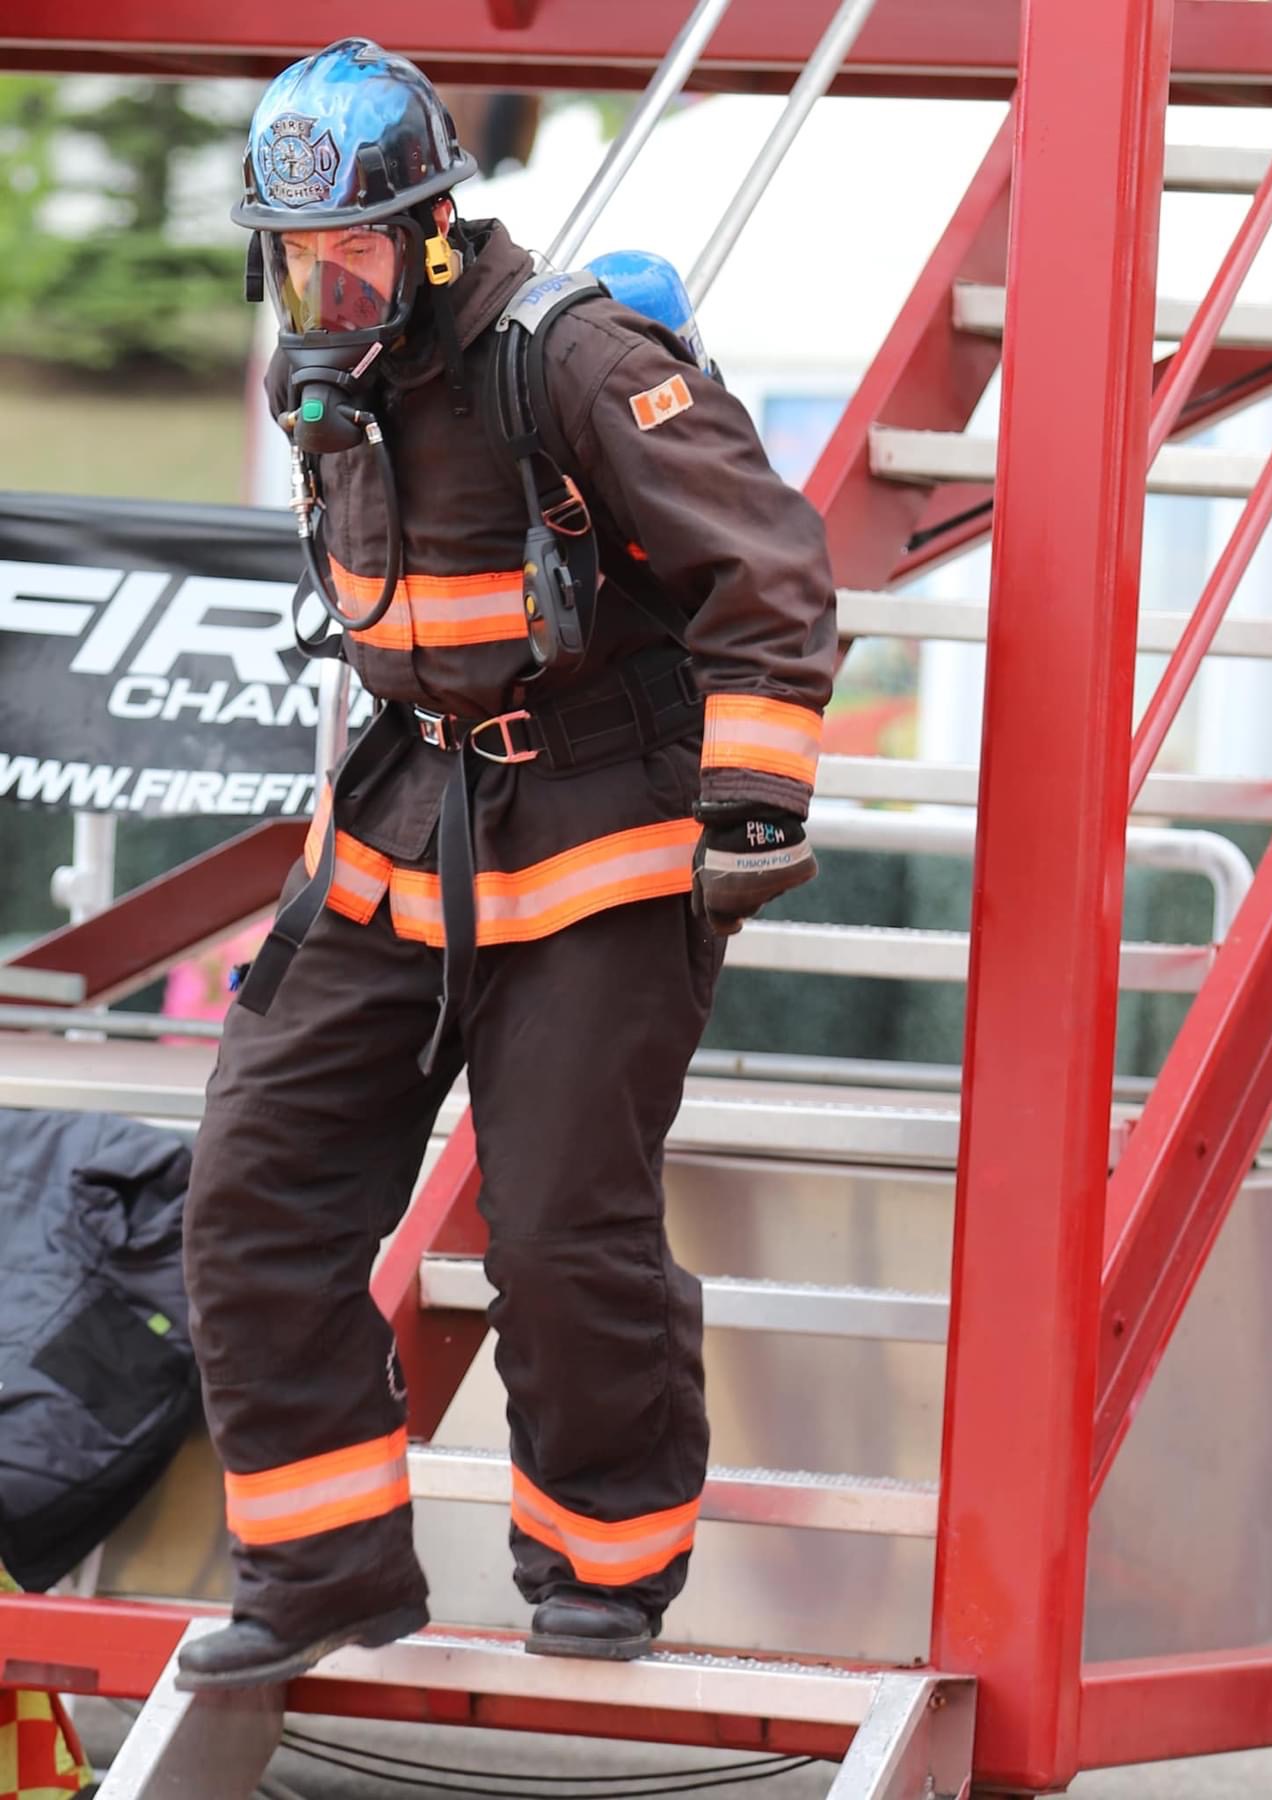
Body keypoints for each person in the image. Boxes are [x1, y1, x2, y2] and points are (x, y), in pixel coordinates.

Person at [177, 36, 836, 1691]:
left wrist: (752, 803)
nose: (325, 292)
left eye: (357, 256)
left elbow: (767, 572)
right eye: (298, 262)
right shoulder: (322, 374)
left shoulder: (580, 359)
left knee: (557, 1232)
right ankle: (322, 1568)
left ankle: (602, 1562)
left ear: (438, 232)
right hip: (404, 822)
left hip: (603, 837)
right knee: (252, 1191)